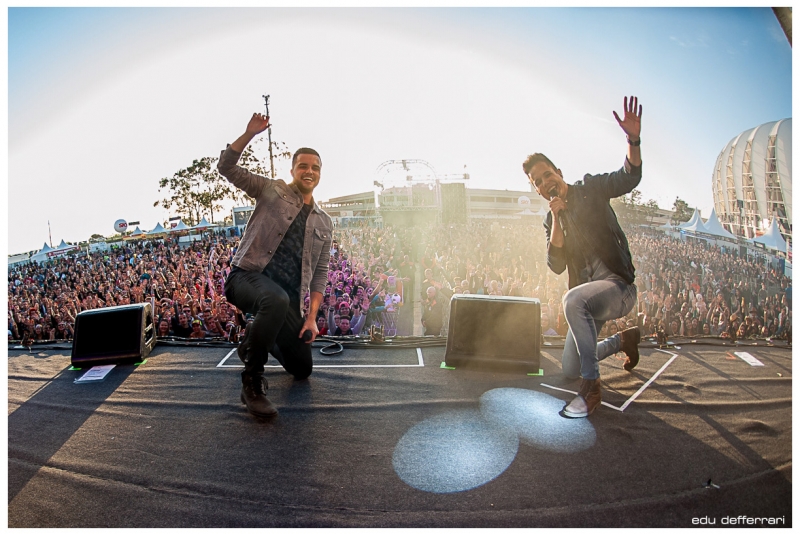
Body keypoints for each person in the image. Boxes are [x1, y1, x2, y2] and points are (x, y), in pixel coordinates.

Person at [522, 96, 644, 418]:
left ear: (559, 172)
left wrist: (633, 140)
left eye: (548, 175)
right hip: (589, 301)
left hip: (618, 289)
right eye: (539, 182)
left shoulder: (591, 189)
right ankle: (623, 341)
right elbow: (557, 265)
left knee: (572, 300)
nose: (546, 182)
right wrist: (558, 222)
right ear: (537, 191)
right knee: (568, 368)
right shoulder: (551, 220)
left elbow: (628, 177)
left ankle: (592, 388)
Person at [218, 112, 333, 418]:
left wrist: (310, 319)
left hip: (287, 303)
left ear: (320, 174)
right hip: (246, 279)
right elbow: (226, 167)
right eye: (303, 166)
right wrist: (249, 134)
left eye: (315, 168)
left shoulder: (324, 221)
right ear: (293, 170)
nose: (309, 171)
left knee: (302, 370)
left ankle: (255, 339)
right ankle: (252, 383)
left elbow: (320, 273)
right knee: (274, 298)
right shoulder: (273, 190)